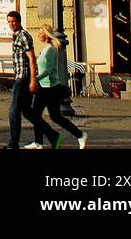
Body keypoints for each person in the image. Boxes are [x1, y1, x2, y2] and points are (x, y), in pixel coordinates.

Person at [24, 25, 88, 150]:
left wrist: (35, 79)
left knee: (52, 116)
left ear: (46, 34)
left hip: (50, 88)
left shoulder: (50, 50)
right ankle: (38, 143)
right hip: (45, 87)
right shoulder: (46, 48)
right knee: (40, 115)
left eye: (40, 32)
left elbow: (48, 70)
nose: (38, 35)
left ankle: (80, 135)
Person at [5, 10, 38, 149]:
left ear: (19, 21)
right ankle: (52, 134)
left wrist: (33, 80)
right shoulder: (16, 36)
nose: (11, 24)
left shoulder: (23, 36)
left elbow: (32, 59)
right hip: (19, 77)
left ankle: (14, 143)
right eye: (9, 22)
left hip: (23, 79)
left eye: (14, 22)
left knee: (13, 112)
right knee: (26, 111)